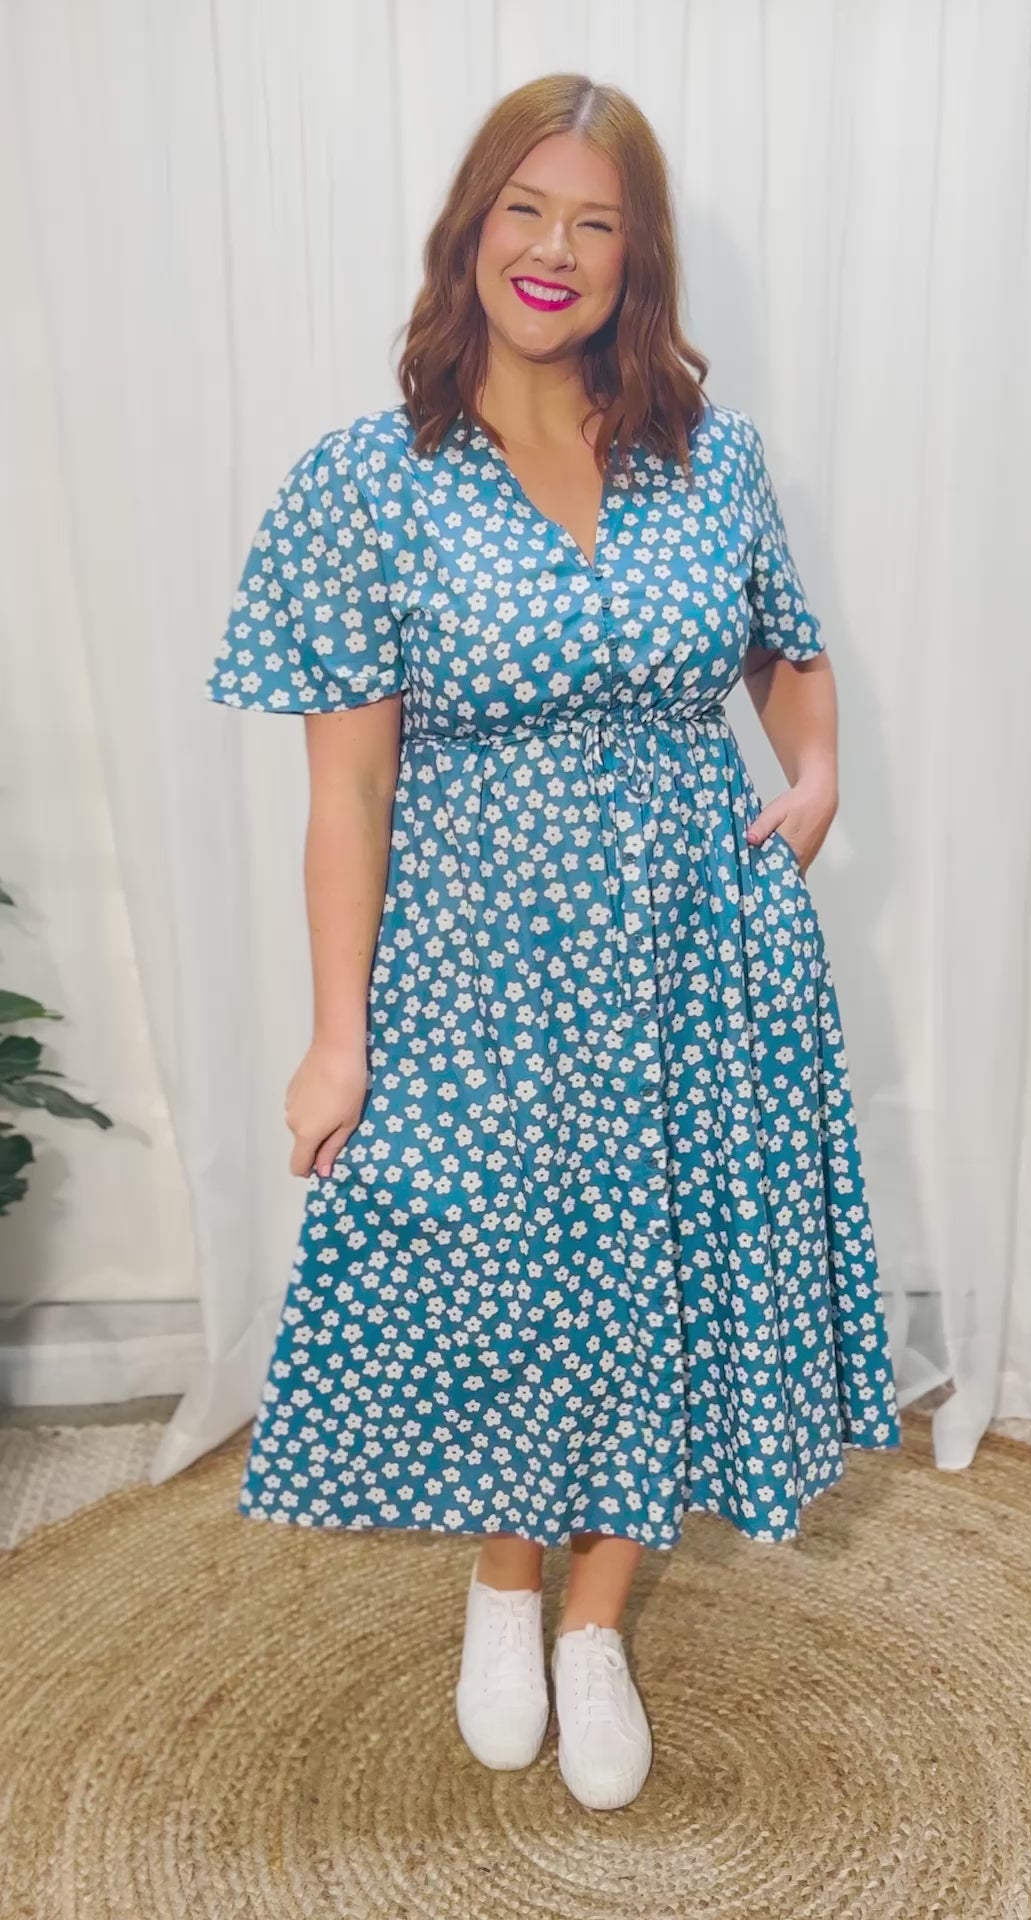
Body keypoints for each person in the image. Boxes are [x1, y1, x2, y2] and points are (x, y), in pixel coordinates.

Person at [204, 72, 903, 1815]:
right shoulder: (371, 485)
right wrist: (338, 1036)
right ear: (472, 227)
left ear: (635, 257)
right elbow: (349, 792)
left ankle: (597, 1618)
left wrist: (816, 771)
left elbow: (785, 643)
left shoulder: (712, 459)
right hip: (482, 970)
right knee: (513, 1278)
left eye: (596, 222)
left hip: (695, 952)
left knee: (663, 1265)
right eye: (526, 209)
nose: (555, 249)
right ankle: (505, 1585)